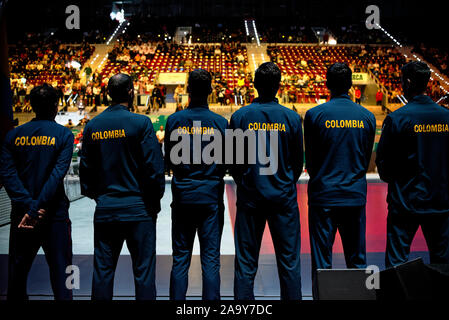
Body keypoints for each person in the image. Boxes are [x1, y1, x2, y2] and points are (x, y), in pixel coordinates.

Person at [79, 73, 165, 300]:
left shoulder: (93, 126)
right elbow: (154, 169)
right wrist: (153, 203)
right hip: (139, 210)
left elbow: (85, 172)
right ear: (131, 92)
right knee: (144, 274)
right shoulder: (141, 123)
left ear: (108, 94)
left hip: (107, 210)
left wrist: (101, 197)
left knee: (103, 273)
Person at [230, 62, 303, 300]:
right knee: (289, 263)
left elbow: (234, 163)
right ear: (279, 86)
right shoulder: (291, 118)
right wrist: (282, 183)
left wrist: (246, 182)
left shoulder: (239, 117)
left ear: (254, 85)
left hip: (251, 199)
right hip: (283, 199)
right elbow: (296, 163)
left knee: (245, 264)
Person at [303, 63, 376, 299]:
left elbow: (311, 161)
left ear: (327, 84)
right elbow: (365, 158)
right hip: (354, 195)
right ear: (351, 86)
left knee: (321, 262)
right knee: (357, 261)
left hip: (323, 196)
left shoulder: (315, 115)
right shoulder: (366, 116)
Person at [0, 84, 74, 300]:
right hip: (54, 217)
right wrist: (36, 208)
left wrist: (28, 208)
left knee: (16, 276)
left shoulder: (13, 136)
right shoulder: (63, 135)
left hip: (22, 217)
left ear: (31, 105)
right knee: (65, 274)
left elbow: (8, 175)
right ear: (55, 105)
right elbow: (56, 175)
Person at [376, 61, 449, 268]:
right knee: (443, 263)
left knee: (397, 264)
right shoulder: (447, 118)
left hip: (405, 204)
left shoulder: (397, 119)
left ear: (407, 82)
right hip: (441, 204)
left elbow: (384, 167)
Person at [164, 69, 228, 300]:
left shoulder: (174, 121)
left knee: (180, 258)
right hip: (210, 198)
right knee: (211, 260)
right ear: (211, 91)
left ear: (188, 90)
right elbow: (227, 162)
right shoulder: (221, 123)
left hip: (183, 197)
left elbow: (169, 160)